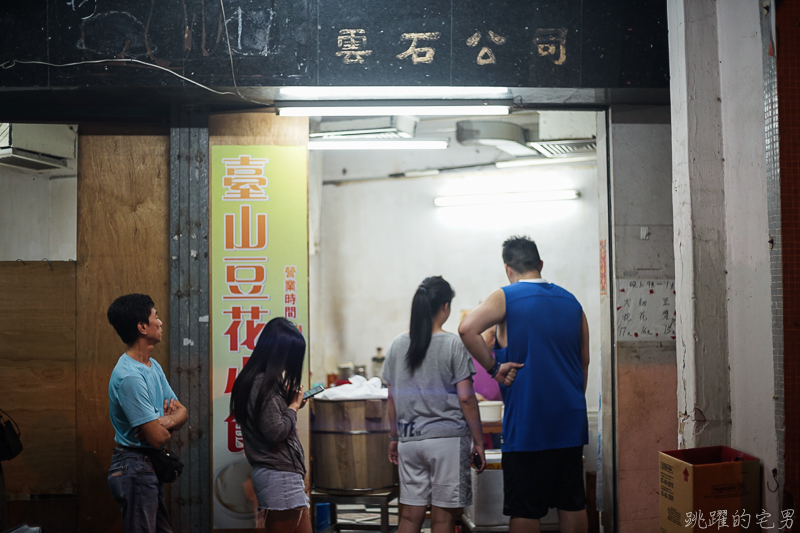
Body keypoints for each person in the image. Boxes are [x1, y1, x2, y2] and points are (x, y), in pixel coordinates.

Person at [458, 236, 590, 533]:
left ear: (508, 269)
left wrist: (494, 368)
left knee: (526, 509)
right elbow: (584, 360)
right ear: (540, 264)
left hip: (529, 423)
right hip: (569, 421)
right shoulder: (572, 302)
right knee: (572, 503)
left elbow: (467, 329)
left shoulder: (506, 297)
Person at [381, 276, 486, 533]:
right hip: (447, 442)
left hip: (409, 441)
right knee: (443, 520)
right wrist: (479, 441)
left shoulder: (397, 345)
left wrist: (394, 437)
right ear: (445, 307)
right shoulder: (452, 344)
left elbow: (391, 399)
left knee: (408, 518)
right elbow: (466, 397)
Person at [106, 293, 189, 533]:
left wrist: (163, 422)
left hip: (147, 465)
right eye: (156, 317)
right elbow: (157, 438)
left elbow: (182, 412)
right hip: (135, 466)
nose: (161, 322)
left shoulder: (153, 367)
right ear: (142, 327)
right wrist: (164, 428)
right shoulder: (130, 376)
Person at [229, 317, 310, 533]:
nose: (289, 365)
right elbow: (275, 431)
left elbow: (269, 419)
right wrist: (292, 406)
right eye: (289, 358)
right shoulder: (259, 383)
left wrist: (290, 405)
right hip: (278, 476)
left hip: (283, 475)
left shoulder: (261, 381)